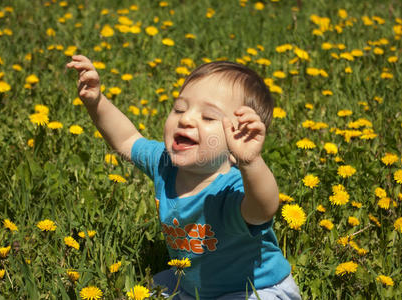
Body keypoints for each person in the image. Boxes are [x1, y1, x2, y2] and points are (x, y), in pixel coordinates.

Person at [67, 55, 301, 300]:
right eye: (179, 108)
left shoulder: (232, 190)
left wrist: (251, 162)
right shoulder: (163, 163)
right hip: (192, 286)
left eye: (209, 117)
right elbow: (127, 140)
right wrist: (97, 102)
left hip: (255, 289)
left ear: (237, 147)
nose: (186, 119)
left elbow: (263, 208)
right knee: (147, 290)